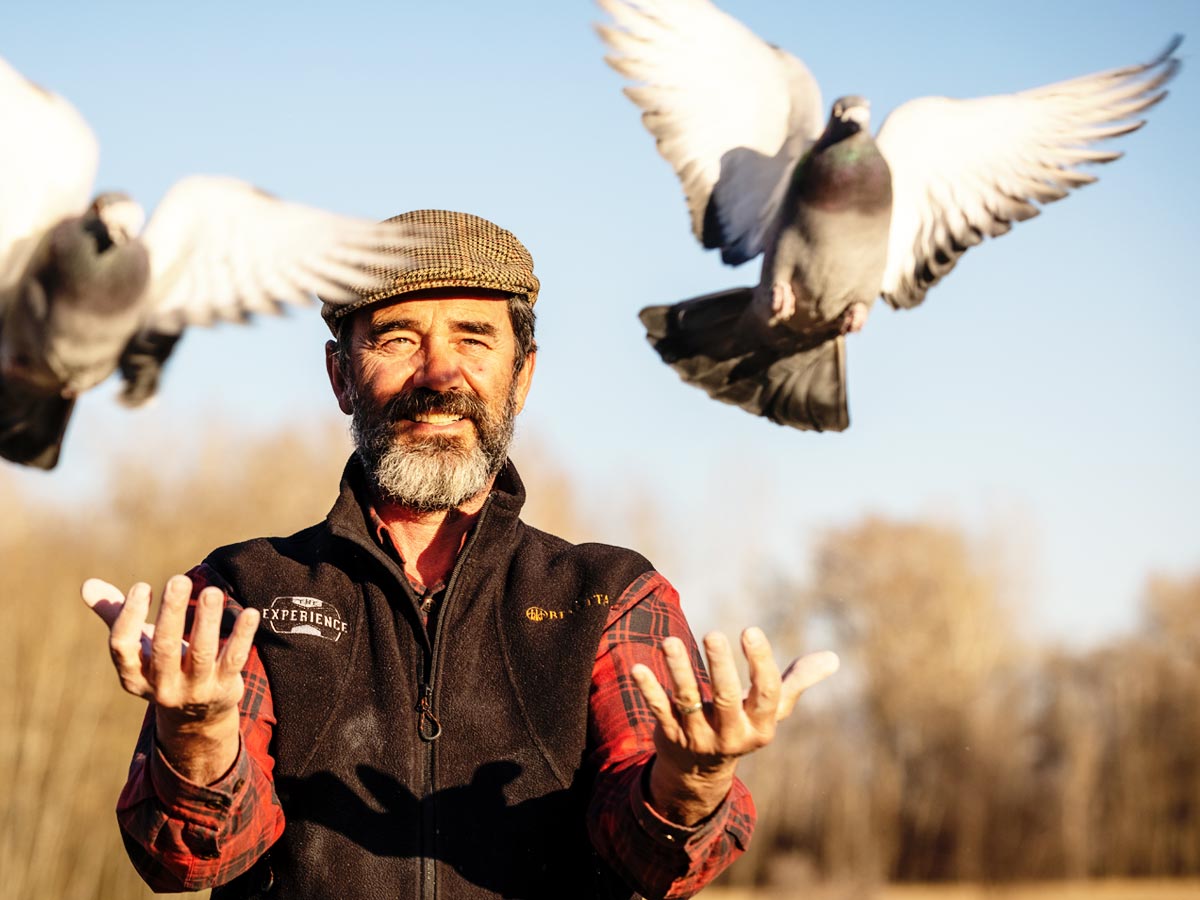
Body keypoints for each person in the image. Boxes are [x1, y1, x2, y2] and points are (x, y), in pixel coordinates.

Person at [82, 209, 839, 900]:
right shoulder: (241, 591)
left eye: (474, 339)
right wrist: (197, 738)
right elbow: (186, 863)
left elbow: (655, 862)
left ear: (523, 375)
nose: (439, 376)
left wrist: (692, 781)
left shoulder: (611, 596)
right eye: (399, 339)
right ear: (341, 376)